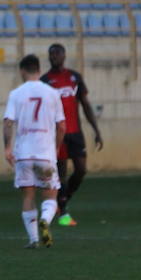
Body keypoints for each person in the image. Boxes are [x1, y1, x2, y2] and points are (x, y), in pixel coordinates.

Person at [3, 55, 66, 249]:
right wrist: (55, 147)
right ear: (39, 70)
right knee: (50, 195)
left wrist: (7, 148)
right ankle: (46, 220)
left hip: (23, 155)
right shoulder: (52, 93)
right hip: (45, 154)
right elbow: (62, 126)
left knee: (28, 196)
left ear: (22, 70)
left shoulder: (16, 93)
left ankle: (33, 239)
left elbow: (8, 122)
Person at [40, 44, 103, 226]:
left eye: (57, 53)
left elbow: (85, 104)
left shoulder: (74, 77)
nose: (54, 57)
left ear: (64, 55)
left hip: (75, 132)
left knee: (81, 169)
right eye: (51, 54)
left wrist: (96, 130)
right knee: (60, 173)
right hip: (57, 133)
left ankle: (64, 198)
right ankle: (63, 214)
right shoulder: (45, 80)